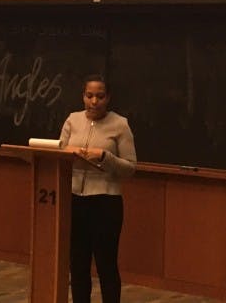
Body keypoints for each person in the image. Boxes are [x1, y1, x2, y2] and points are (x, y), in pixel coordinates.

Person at [60, 74, 137, 303]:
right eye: (89, 96)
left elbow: (130, 168)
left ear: (108, 98)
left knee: (106, 264)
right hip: (74, 200)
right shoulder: (72, 120)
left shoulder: (120, 124)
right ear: (83, 96)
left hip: (106, 202)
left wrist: (104, 157)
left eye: (100, 96)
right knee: (78, 264)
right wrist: (68, 155)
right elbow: (58, 153)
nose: (94, 101)